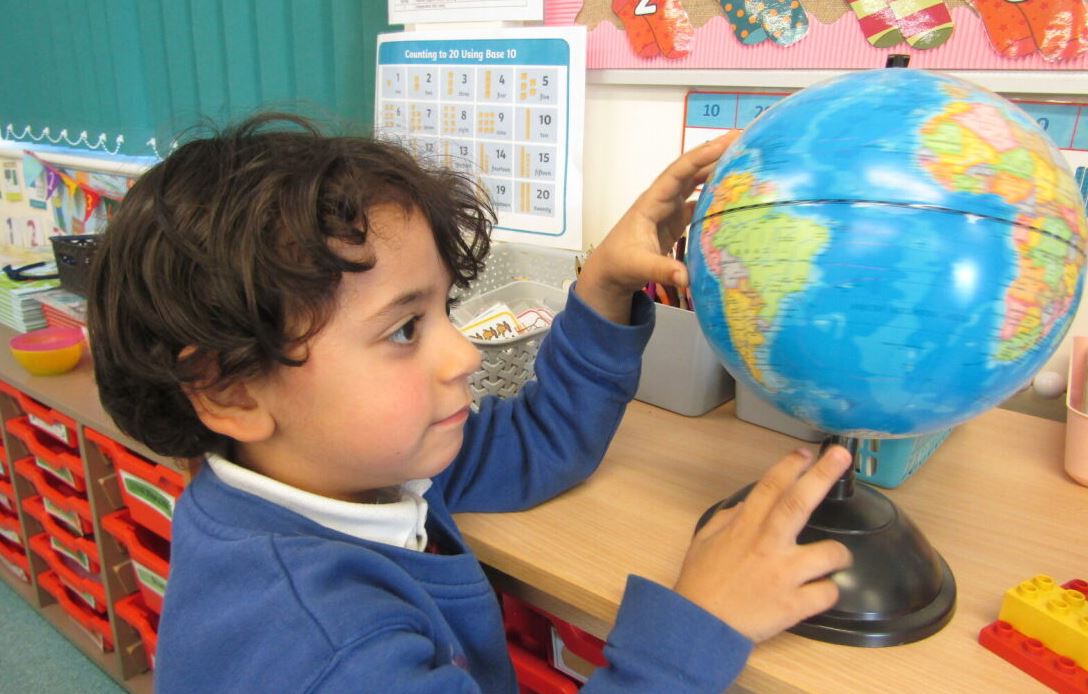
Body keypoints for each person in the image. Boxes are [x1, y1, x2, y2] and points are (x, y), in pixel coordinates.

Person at [87, 113, 852, 692]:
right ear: (230, 389)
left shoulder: (345, 467)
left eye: (443, 310)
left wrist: (602, 286)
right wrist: (694, 632)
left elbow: (539, 444)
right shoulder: (330, 650)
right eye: (404, 329)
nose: (463, 354)